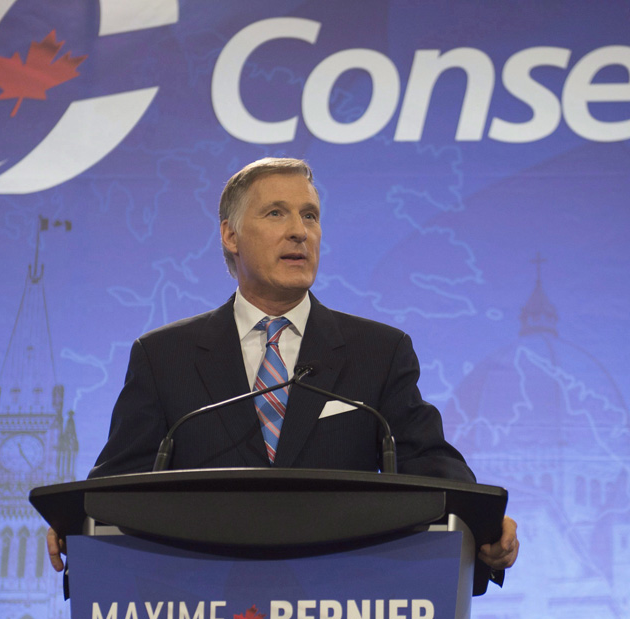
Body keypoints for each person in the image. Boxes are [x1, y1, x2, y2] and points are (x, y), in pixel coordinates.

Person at [47, 157, 518, 585]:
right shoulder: (164, 356)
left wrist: (483, 521)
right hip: (199, 599)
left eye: (310, 216)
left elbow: (429, 461)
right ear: (230, 235)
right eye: (276, 213)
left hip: (343, 600)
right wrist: (77, 526)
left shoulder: (378, 351)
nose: (299, 232)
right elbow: (121, 482)